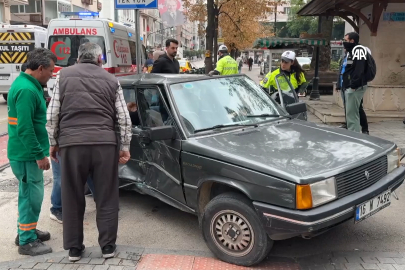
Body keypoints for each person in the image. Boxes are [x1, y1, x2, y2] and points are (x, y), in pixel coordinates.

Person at [46, 42, 132, 262]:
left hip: (72, 146)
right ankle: (107, 247)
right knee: (106, 196)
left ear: (78, 58)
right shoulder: (112, 80)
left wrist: (53, 142)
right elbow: (123, 117)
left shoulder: (63, 76)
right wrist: (124, 147)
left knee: (72, 196)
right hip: (104, 145)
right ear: (99, 59)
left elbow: (53, 114)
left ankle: (74, 249)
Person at [8, 48, 56, 256]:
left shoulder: (27, 84)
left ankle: (26, 230)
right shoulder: (27, 90)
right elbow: (25, 128)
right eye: (51, 70)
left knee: (27, 195)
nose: (52, 74)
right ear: (40, 68)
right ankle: (27, 242)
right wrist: (39, 155)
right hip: (27, 154)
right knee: (31, 196)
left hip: (24, 152)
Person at [342, 32, 370, 133]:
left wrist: (353, 85)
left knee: (352, 114)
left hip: (355, 87)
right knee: (351, 113)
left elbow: (359, 69)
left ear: (352, 40)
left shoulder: (358, 50)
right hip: (351, 86)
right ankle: (353, 134)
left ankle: (354, 135)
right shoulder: (352, 50)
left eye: (346, 40)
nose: (344, 43)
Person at [336, 49, 369, 134]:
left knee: (358, 108)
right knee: (348, 108)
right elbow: (342, 71)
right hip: (344, 85)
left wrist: (353, 85)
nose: (344, 47)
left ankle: (365, 129)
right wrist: (338, 84)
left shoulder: (357, 55)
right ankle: (348, 124)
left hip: (354, 87)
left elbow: (358, 72)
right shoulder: (345, 57)